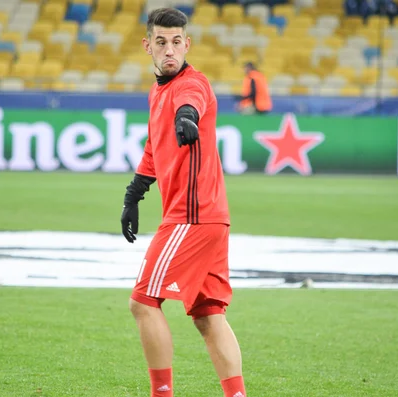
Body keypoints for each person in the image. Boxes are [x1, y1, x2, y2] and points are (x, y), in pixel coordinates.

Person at [120, 7, 247, 397]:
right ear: (148, 46)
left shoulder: (194, 85)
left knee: (143, 302)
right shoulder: (157, 91)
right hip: (211, 218)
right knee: (208, 315)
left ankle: (161, 394)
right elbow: (153, 150)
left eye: (177, 42)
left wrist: (187, 119)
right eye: (161, 42)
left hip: (191, 218)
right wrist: (134, 195)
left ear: (187, 44)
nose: (169, 50)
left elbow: (189, 105)